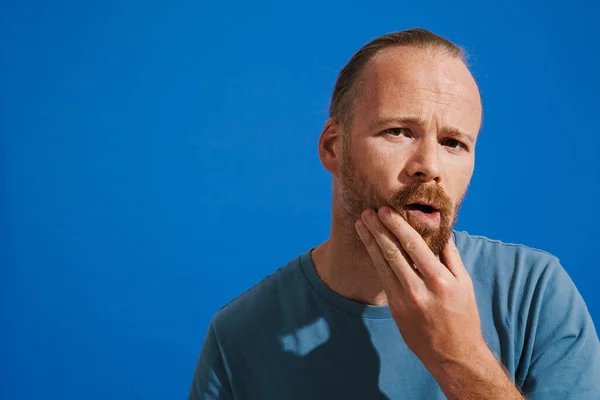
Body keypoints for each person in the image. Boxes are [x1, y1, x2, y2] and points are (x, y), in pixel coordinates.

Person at [188, 28, 600, 399]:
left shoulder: (534, 294)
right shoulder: (239, 337)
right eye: (398, 132)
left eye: (453, 142)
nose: (430, 166)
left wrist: (458, 358)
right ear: (334, 146)